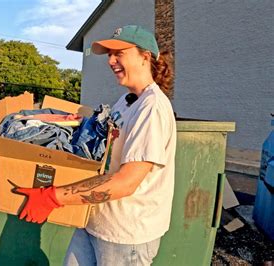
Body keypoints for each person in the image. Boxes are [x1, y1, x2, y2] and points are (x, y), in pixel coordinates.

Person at [13, 25, 176, 265]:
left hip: (125, 236)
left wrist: (52, 197)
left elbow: (126, 182)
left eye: (119, 53)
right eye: (109, 54)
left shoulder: (152, 108)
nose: (111, 61)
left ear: (145, 56)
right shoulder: (127, 101)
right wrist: (74, 122)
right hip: (94, 218)